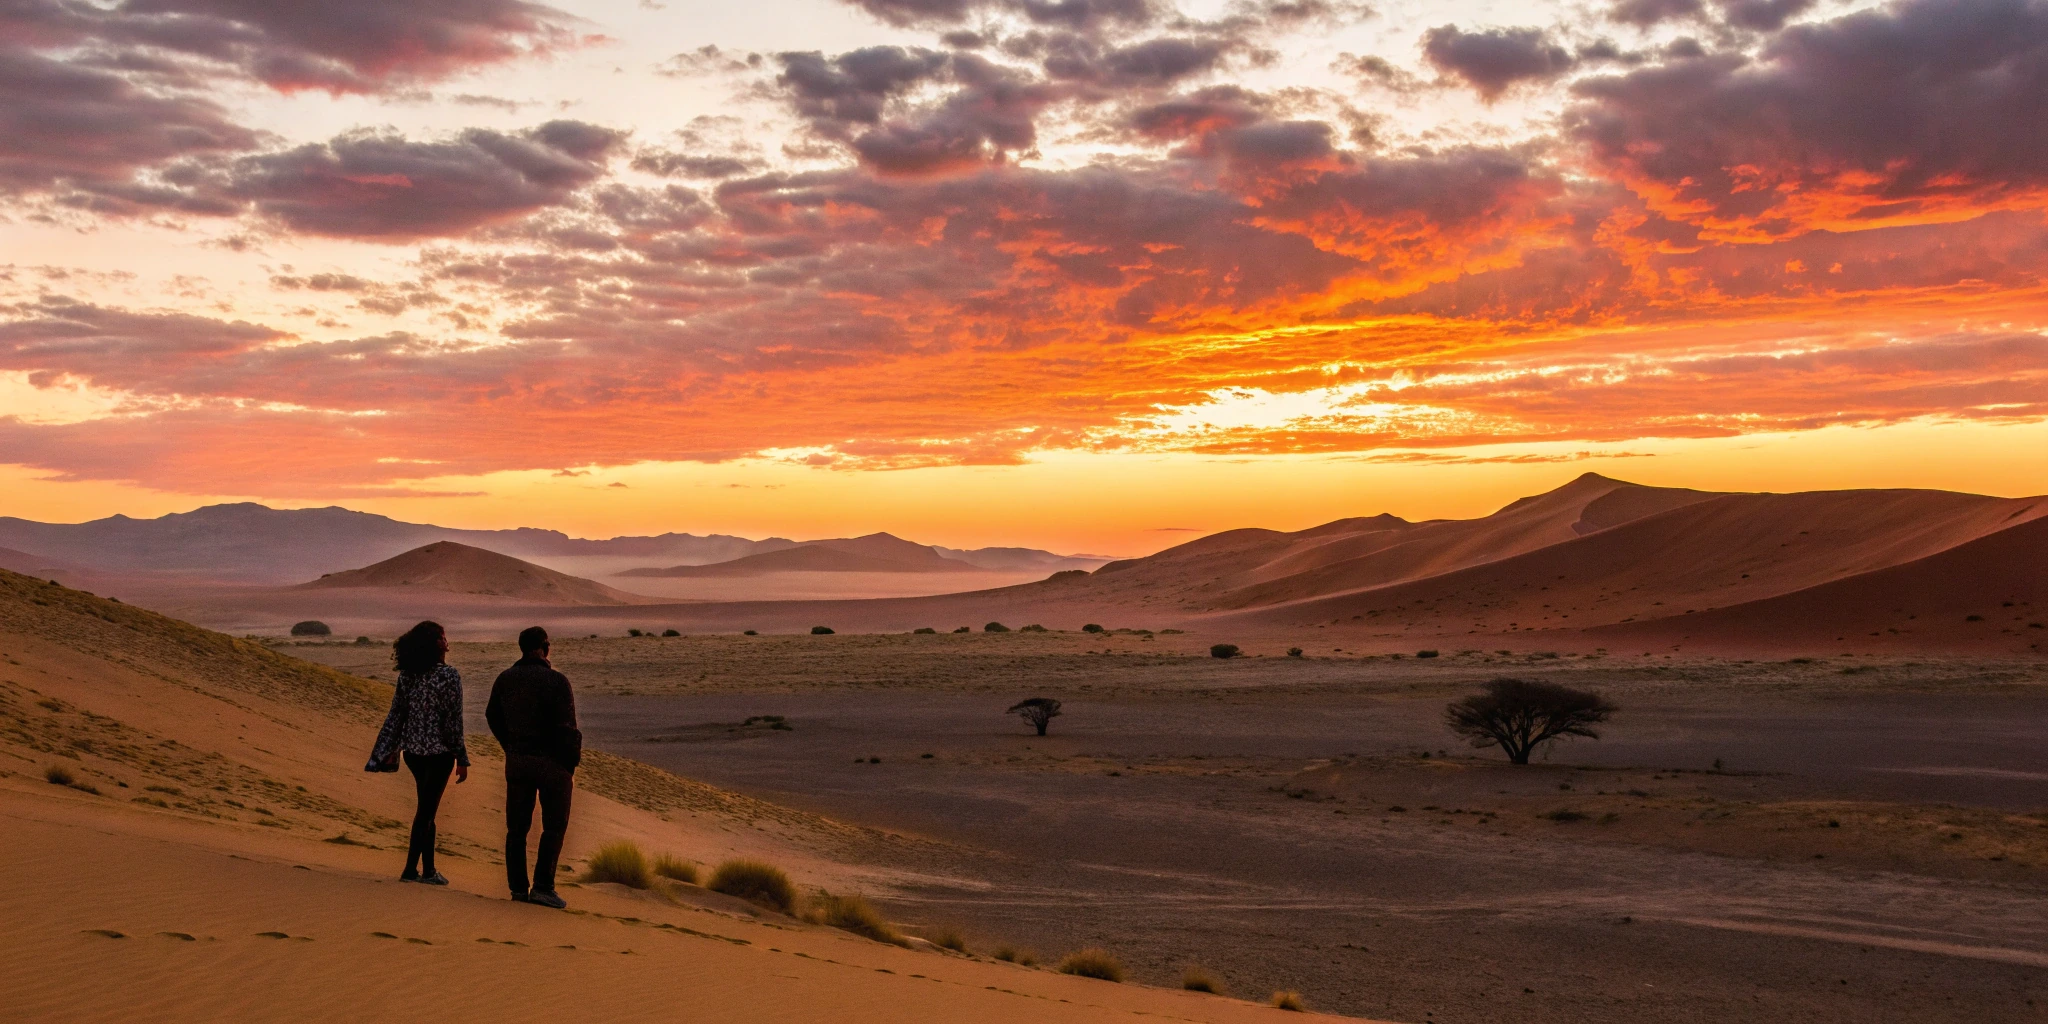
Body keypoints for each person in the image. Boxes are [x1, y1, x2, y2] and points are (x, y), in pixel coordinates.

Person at [365, 620, 469, 884]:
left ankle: (429, 870)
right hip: (439, 754)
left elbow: (396, 715)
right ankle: (411, 870)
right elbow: (453, 721)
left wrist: (388, 748)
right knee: (426, 812)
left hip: (413, 753)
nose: (447, 641)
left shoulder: (407, 675)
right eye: (443, 637)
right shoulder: (449, 675)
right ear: (436, 643)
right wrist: (462, 757)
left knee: (427, 810)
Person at [486, 625, 581, 909]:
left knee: (516, 828)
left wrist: (511, 745)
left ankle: (518, 888)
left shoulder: (505, 679)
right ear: (544, 647)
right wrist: (569, 764)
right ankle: (543, 886)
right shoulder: (557, 681)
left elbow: (492, 716)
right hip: (552, 764)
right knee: (554, 826)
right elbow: (568, 727)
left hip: (518, 762)